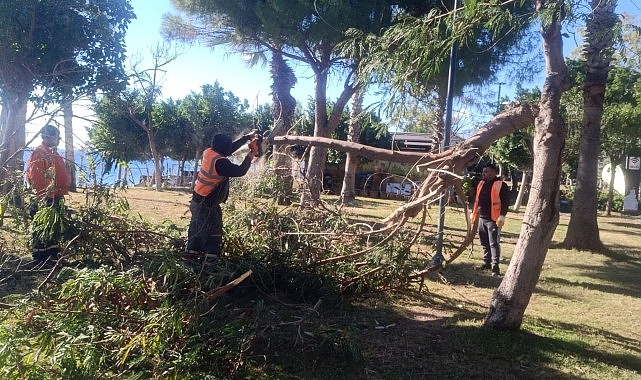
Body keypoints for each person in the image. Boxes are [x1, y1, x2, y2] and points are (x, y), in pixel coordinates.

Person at [184, 132, 259, 268]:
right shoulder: (220, 163)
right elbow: (239, 171)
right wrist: (250, 154)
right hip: (207, 204)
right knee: (213, 234)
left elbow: (228, 150)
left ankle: (190, 261)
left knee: (196, 230)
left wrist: (246, 138)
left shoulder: (209, 152)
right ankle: (209, 267)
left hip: (197, 200)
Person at [25, 125, 71, 264]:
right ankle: (41, 258)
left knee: (52, 227)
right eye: (57, 137)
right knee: (42, 227)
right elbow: (37, 178)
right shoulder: (39, 153)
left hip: (55, 196)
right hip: (45, 198)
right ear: (48, 137)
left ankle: (52, 255)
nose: (59, 140)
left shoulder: (52, 152)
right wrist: (43, 197)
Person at [471, 163, 510, 276]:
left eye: (487, 171)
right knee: (484, 242)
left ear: (493, 172)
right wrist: (474, 213)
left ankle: (495, 267)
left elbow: (506, 202)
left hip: (493, 219)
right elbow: (477, 200)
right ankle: (487, 262)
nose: (484, 173)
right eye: (484, 171)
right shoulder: (481, 183)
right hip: (481, 218)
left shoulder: (501, 185)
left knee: (494, 243)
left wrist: (502, 215)